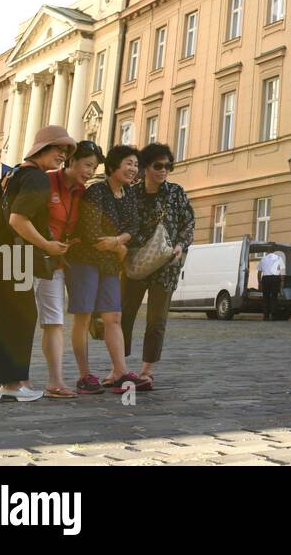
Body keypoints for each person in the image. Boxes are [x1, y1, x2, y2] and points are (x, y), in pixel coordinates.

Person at [0, 125, 75, 402]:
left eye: (66, 151)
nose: (63, 156)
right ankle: (13, 386)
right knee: (20, 318)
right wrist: (48, 246)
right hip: (16, 256)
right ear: (42, 148)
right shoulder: (37, 179)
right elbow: (18, 219)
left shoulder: (12, 174)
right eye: (59, 149)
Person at [121, 142, 194, 389]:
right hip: (135, 262)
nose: (164, 170)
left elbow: (188, 224)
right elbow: (123, 225)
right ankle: (120, 367)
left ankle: (147, 370)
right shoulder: (131, 194)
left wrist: (180, 246)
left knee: (156, 320)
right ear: (145, 168)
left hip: (166, 264)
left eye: (168, 166)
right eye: (158, 166)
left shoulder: (176, 193)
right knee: (124, 316)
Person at [67, 144, 138, 394]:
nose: (133, 169)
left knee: (113, 317)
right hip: (84, 260)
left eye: (136, 164)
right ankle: (84, 375)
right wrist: (118, 245)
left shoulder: (128, 194)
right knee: (84, 316)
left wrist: (118, 242)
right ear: (114, 166)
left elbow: (134, 227)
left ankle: (119, 371)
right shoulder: (97, 191)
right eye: (129, 163)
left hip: (108, 263)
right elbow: (91, 232)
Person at [33, 140, 102, 398]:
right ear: (71, 162)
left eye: (94, 168)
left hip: (56, 263)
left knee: (54, 321)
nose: (90, 172)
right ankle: (13, 380)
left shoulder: (83, 193)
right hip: (29, 259)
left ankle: (55, 382)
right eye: (87, 165)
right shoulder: (44, 181)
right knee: (23, 320)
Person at [258, 249, 286, 320]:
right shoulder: (278, 258)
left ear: (267, 252)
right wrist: (282, 281)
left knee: (266, 298)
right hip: (275, 278)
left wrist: (259, 282)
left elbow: (259, 272)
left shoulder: (263, 259)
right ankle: (274, 316)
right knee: (274, 297)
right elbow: (282, 271)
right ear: (274, 252)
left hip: (265, 279)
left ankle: (266, 316)